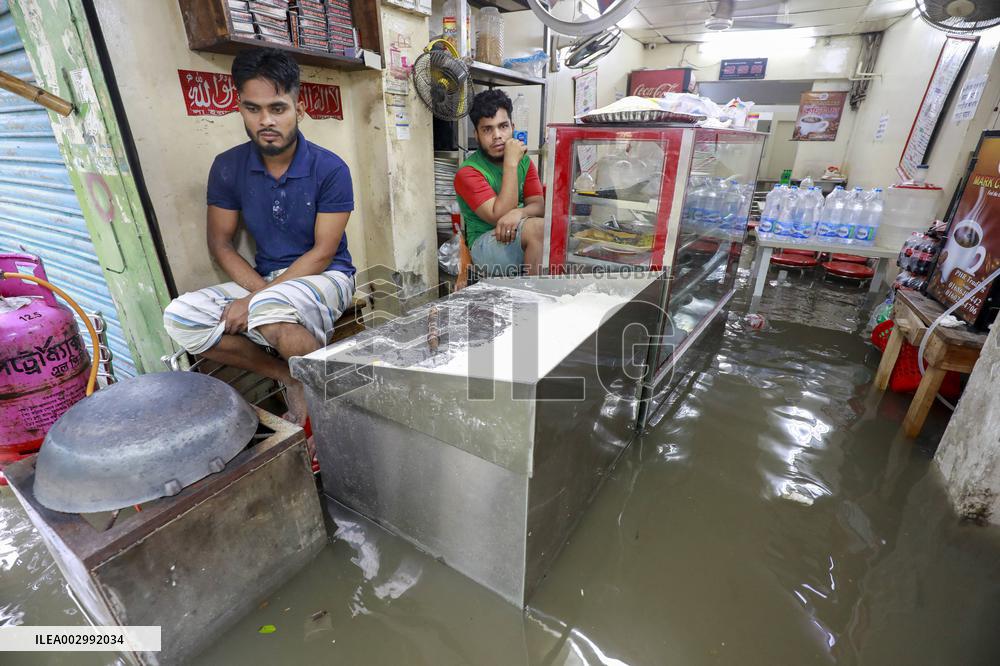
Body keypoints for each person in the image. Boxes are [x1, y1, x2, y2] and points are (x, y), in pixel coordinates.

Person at [163, 48, 355, 425]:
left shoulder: (330, 169)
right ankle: (289, 377)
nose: (266, 120)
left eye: (278, 108)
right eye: (253, 109)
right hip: (265, 279)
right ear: (240, 107)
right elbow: (220, 244)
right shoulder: (228, 167)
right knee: (181, 316)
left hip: (327, 274)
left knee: (269, 311)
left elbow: (322, 252)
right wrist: (257, 293)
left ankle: (329, 411)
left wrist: (256, 300)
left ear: (299, 107)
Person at [454, 90, 545, 276]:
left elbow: (539, 206)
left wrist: (519, 213)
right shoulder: (468, 172)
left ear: (513, 127)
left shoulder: (525, 161)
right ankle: (533, 297)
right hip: (484, 244)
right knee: (539, 229)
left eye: (503, 126)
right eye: (487, 129)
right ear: (477, 135)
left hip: (517, 231)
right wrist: (511, 163)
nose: (497, 135)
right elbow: (499, 216)